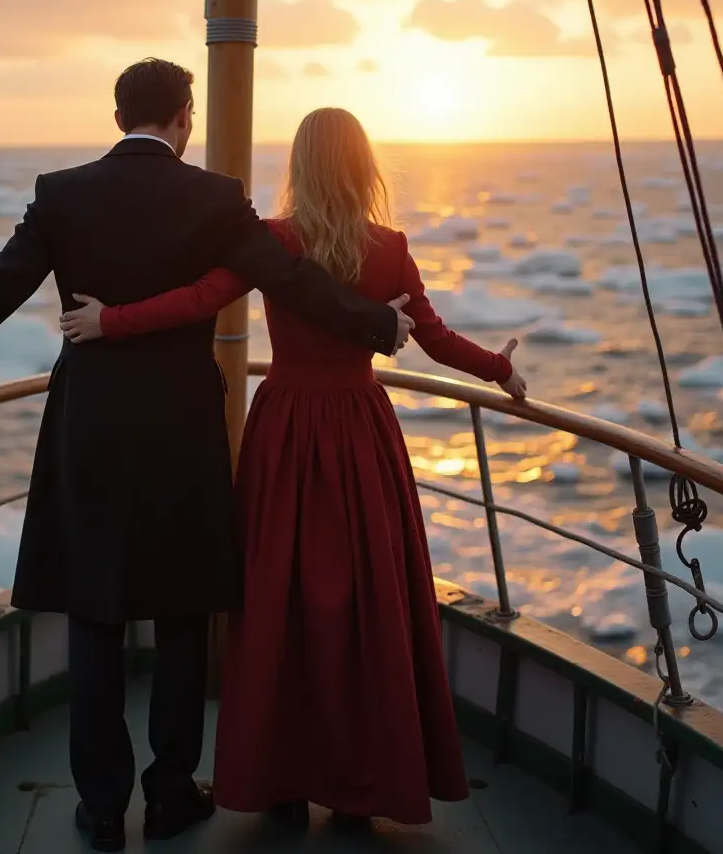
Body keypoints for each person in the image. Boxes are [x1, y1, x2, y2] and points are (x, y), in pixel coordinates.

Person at [0, 63, 414, 853]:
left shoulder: (61, 193)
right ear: (185, 117)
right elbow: (288, 278)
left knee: (94, 617)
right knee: (182, 615)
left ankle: (101, 811)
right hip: (182, 431)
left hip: (89, 428)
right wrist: (376, 325)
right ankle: (168, 795)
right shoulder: (216, 197)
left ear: (118, 113)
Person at [59, 106, 527, 830]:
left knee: (280, 605)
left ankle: (279, 782)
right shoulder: (390, 248)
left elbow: (197, 302)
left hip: (286, 433)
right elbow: (433, 339)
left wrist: (109, 321)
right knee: (363, 610)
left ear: (299, 167)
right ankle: (357, 791)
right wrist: (501, 370)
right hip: (360, 436)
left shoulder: (275, 241)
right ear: (362, 165)